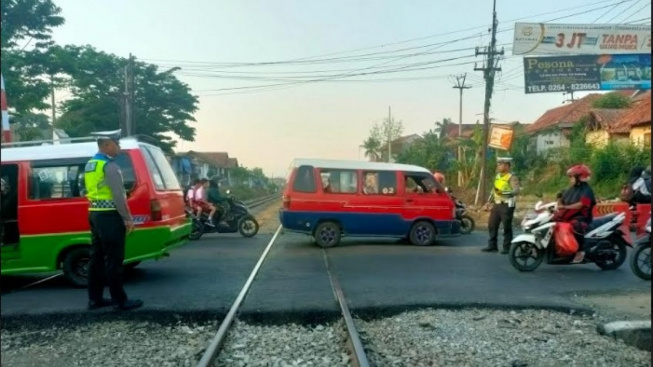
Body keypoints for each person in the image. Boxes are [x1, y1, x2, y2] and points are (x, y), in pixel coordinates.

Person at [84, 129, 142, 311]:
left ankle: (95, 299)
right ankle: (120, 300)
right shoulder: (109, 166)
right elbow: (118, 195)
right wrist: (127, 219)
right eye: (117, 144)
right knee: (114, 260)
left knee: (97, 258)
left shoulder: (91, 164)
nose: (119, 147)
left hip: (94, 214)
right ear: (107, 144)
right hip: (110, 216)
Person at [554, 164, 597, 263]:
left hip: (581, 217)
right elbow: (560, 195)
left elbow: (581, 205)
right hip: (569, 214)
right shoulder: (570, 189)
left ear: (579, 178)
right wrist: (559, 202)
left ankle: (580, 251)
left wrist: (565, 207)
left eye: (572, 177)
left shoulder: (587, 190)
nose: (570, 179)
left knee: (576, 226)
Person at [482, 157, 520, 254]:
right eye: (498, 164)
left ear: (507, 166)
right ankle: (492, 246)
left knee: (506, 227)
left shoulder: (512, 177)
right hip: (497, 204)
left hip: (507, 205)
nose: (498, 166)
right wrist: (488, 202)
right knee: (492, 225)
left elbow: (516, 191)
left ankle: (507, 247)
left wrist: (503, 193)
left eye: (500, 164)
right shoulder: (498, 176)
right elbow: (494, 190)